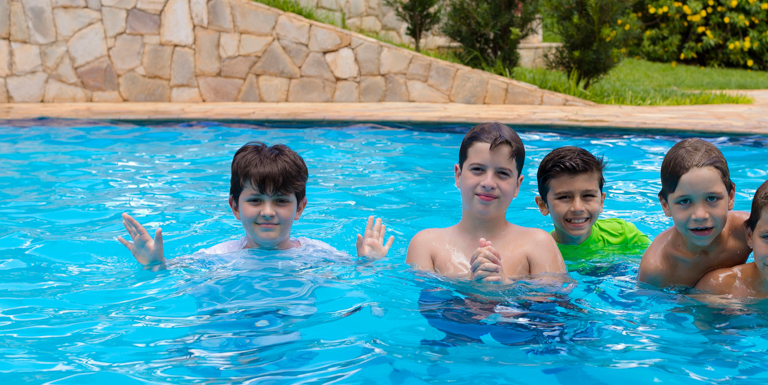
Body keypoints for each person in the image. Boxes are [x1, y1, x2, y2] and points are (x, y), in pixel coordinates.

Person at [118, 141, 392, 268]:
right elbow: (175, 272)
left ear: (300, 208)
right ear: (235, 207)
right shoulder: (218, 257)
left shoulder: (319, 254)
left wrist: (370, 263)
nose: (268, 212)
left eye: (281, 201)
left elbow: (354, 274)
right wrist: (155, 266)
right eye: (255, 200)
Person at [638, 138, 768, 291]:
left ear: (731, 196)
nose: (700, 214)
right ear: (665, 204)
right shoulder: (657, 268)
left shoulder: (746, 229)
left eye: (712, 199)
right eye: (684, 201)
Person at [405, 122, 565, 282]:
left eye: (502, 173)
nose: (488, 183)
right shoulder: (427, 245)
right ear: (458, 175)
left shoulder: (538, 244)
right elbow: (427, 306)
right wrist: (470, 287)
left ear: (517, 185)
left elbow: (555, 304)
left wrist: (504, 286)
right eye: (477, 169)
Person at [534, 146, 649, 261]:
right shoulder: (538, 252)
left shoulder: (624, 235)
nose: (577, 208)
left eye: (588, 196)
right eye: (564, 197)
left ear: (601, 201)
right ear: (543, 205)